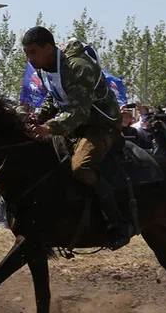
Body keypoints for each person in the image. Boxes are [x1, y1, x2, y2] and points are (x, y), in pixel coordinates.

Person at [23, 26, 132, 249]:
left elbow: (80, 110)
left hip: (101, 125)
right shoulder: (46, 68)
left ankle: (118, 222)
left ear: (48, 47)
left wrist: (49, 127)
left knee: (80, 167)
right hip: (75, 126)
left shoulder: (79, 67)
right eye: (27, 53)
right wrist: (37, 116)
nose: (29, 58)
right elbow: (54, 99)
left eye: (32, 52)